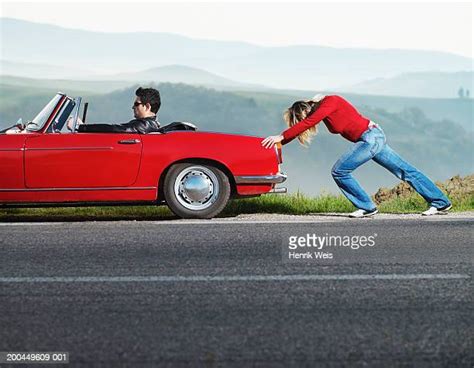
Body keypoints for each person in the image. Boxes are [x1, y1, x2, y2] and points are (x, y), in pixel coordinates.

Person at [261, 94, 452, 218]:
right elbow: (313, 118)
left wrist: (281, 137)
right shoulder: (324, 107)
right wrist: (280, 143)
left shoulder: (329, 102)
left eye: (301, 116)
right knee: (405, 171)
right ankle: (440, 202)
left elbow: (310, 120)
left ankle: (367, 207)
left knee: (340, 171)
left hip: (371, 138)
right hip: (371, 137)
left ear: (304, 109)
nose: (305, 121)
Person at [74, 87, 161, 134]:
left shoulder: (144, 126)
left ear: (147, 107)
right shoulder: (151, 124)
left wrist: (81, 127)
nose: (133, 107)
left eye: (136, 104)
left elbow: (115, 129)